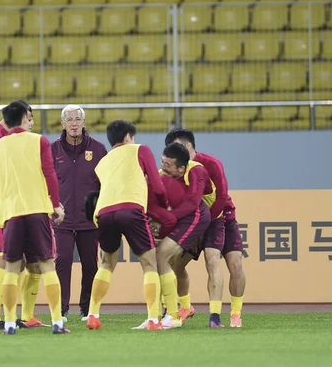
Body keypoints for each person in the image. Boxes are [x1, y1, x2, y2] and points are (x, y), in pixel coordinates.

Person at [0, 100, 69, 335]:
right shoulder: (39, 141)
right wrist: (55, 204)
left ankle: (10, 322)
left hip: (11, 213)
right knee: (46, 264)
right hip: (37, 209)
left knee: (11, 267)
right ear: (24, 118)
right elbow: (49, 173)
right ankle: (57, 322)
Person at [0, 100, 47, 332]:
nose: (31, 123)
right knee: (4, 261)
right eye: (29, 118)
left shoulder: (3, 136)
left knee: (18, 262)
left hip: (9, 207)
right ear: (20, 116)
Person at [85, 120, 167, 331]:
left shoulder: (102, 162)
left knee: (106, 263)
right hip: (131, 209)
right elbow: (157, 187)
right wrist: (164, 207)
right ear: (129, 136)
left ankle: (93, 315)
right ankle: (153, 319)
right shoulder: (140, 150)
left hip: (103, 212)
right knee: (149, 263)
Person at [165, 128, 246, 328]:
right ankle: (185, 306)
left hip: (220, 219)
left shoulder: (210, 164)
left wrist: (203, 221)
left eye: (175, 149)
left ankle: (232, 314)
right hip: (195, 222)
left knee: (231, 264)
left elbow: (221, 197)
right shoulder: (173, 170)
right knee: (173, 262)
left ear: (187, 146)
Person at [52, 105, 106, 322]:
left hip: (89, 219)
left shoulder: (99, 149)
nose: (74, 123)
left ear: (84, 123)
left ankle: (87, 309)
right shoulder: (51, 150)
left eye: (77, 119)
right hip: (61, 218)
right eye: (69, 119)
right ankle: (61, 310)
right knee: (62, 261)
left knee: (90, 264)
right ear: (63, 123)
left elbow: (106, 183)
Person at [154, 143, 213, 329]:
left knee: (162, 256)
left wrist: (166, 218)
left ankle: (170, 315)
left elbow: (193, 203)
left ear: (181, 168)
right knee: (171, 264)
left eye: (167, 165)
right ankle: (161, 314)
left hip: (198, 217)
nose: (163, 167)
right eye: (162, 162)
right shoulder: (162, 176)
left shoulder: (196, 171)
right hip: (177, 219)